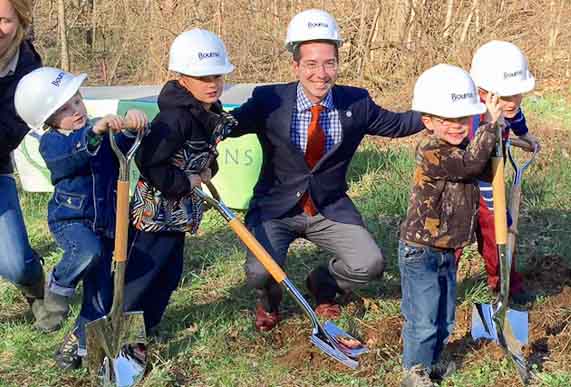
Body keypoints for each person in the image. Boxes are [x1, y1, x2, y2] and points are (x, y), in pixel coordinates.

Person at [227, 9, 424, 332]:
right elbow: (228, 126)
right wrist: (186, 118)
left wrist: (446, 110)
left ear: (337, 63)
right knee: (260, 271)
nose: (321, 73)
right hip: (275, 209)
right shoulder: (270, 99)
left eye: (329, 63)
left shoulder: (356, 102)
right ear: (296, 66)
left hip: (328, 207)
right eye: (311, 64)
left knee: (369, 263)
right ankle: (270, 300)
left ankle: (323, 283)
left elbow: (399, 124)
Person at [14, 66, 148, 369]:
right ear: (47, 119)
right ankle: (58, 288)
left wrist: (133, 126)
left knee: (101, 297)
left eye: (76, 100)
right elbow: (70, 158)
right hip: (73, 221)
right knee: (87, 251)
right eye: (64, 108)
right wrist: (94, 132)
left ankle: (79, 345)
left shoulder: (95, 130)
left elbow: (125, 148)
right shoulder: (53, 143)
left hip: (108, 225)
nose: (76, 110)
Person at [123, 28, 237, 338]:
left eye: (217, 76)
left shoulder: (208, 111)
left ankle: (148, 325)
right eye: (203, 78)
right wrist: (184, 181)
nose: (212, 84)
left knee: (170, 274)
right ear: (183, 78)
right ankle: (123, 331)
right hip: (155, 213)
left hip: (181, 211)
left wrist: (209, 169)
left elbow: (204, 153)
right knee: (143, 273)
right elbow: (147, 162)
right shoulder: (174, 118)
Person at [398, 64, 503, 387]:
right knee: (424, 318)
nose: (458, 127)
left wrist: (498, 148)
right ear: (428, 122)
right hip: (421, 250)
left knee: (444, 318)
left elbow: (479, 170)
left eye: (462, 119)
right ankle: (414, 371)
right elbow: (470, 165)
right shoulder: (431, 150)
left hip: (446, 249)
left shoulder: (461, 150)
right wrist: (488, 125)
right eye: (448, 120)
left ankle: (432, 363)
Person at [465, 40, 540, 304]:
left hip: (490, 181)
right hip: (461, 186)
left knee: (500, 235)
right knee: (450, 243)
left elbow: (515, 116)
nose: (513, 102)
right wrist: (489, 200)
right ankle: (442, 290)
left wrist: (524, 134)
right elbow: (472, 159)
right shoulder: (472, 113)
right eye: (507, 96)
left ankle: (504, 285)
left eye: (518, 94)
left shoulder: (509, 105)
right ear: (483, 90)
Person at [0, 0, 45, 322]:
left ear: (20, 22)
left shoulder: (29, 69)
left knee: (16, 265)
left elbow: (12, 129)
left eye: (3, 20)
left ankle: (35, 283)